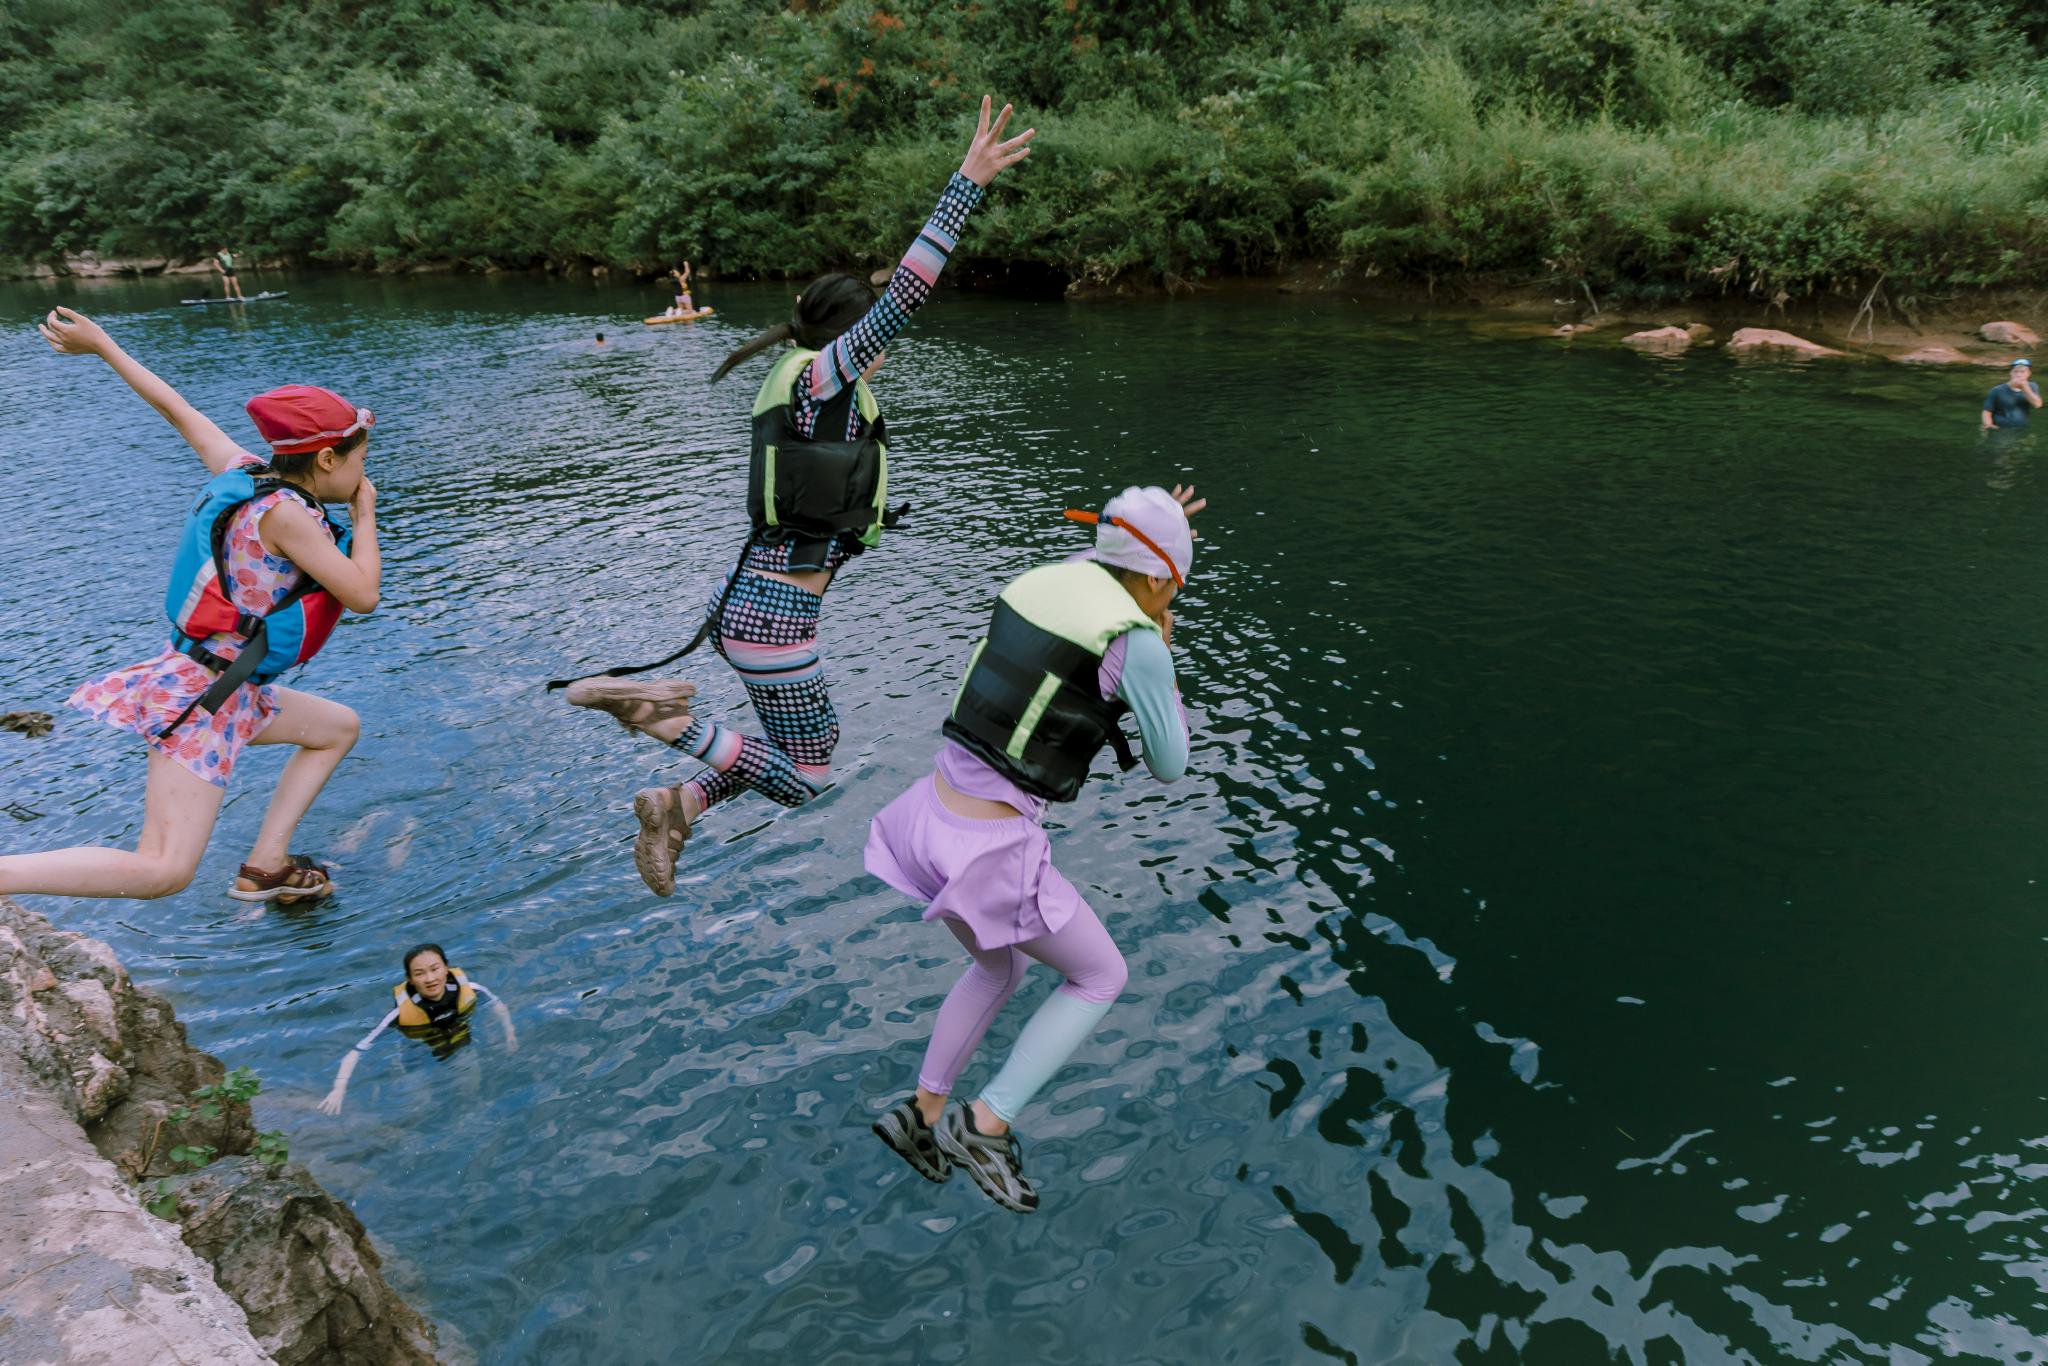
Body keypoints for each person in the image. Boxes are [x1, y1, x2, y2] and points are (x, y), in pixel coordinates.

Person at [563, 95, 1035, 896]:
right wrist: (967, 184)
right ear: (848, 338)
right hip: (774, 620)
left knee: (795, 753)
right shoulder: (823, 376)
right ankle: (657, 717)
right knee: (812, 776)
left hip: (749, 605)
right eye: (870, 337)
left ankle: (675, 807)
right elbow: (907, 296)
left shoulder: (812, 390)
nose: (882, 349)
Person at [865, 485, 1203, 1213]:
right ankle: (985, 1127)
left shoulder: (1041, 581)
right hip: (989, 851)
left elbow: (1115, 546)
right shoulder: (1136, 642)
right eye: (1176, 584)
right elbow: (1171, 763)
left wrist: (1151, 526)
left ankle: (921, 1116)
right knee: (1100, 976)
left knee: (998, 968)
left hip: (926, 820)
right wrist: (1163, 662)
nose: (1173, 598)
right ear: (1155, 582)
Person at [0, 308, 381, 905]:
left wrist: (105, 345)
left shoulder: (247, 473)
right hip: (206, 698)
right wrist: (364, 516)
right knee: (163, 871)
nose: (364, 472)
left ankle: (266, 865)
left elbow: (177, 409)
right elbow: (362, 595)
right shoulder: (288, 517)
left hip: (227, 685)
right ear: (328, 459)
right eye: (360, 459)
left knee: (337, 728)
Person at [318, 943, 517, 1114]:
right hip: (416, 1054)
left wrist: (509, 1033)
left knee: (470, 1093)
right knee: (418, 1105)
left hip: (458, 1044)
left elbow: (497, 1005)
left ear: (446, 968)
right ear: (410, 979)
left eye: (435, 969)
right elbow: (357, 1050)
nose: (430, 978)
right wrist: (339, 1089)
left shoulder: (470, 988)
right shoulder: (399, 1014)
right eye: (419, 974)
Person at [1982, 359, 2041, 429]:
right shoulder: (1997, 390)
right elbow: (1987, 411)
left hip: (2021, 428)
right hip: (2000, 428)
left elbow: (2037, 404)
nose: (2019, 375)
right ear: (2011, 373)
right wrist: (1988, 425)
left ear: (2028, 373)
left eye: (2022, 372)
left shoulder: (2032, 386)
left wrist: (2025, 388)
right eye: (2015, 372)